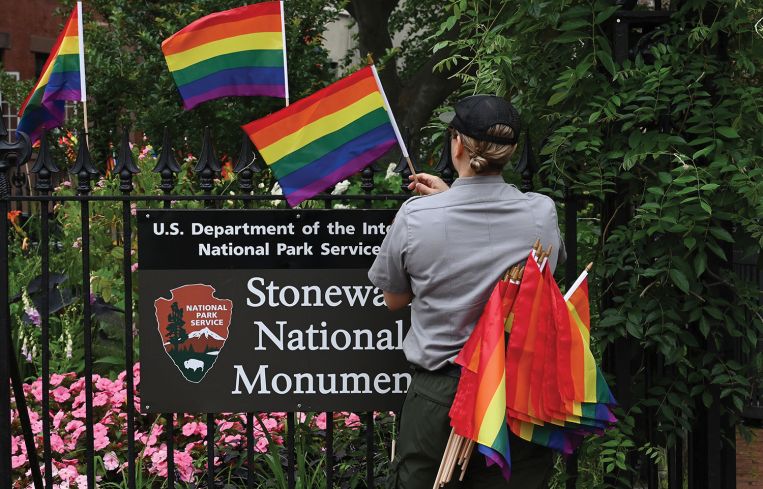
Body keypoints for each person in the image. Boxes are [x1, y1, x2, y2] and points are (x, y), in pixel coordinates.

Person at [368, 95, 566, 489]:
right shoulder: (540, 212)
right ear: (508, 153)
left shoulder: (415, 217)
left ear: (456, 143)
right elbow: (535, 283)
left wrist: (442, 205)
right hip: (517, 394)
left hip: (441, 392)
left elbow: (394, 299)